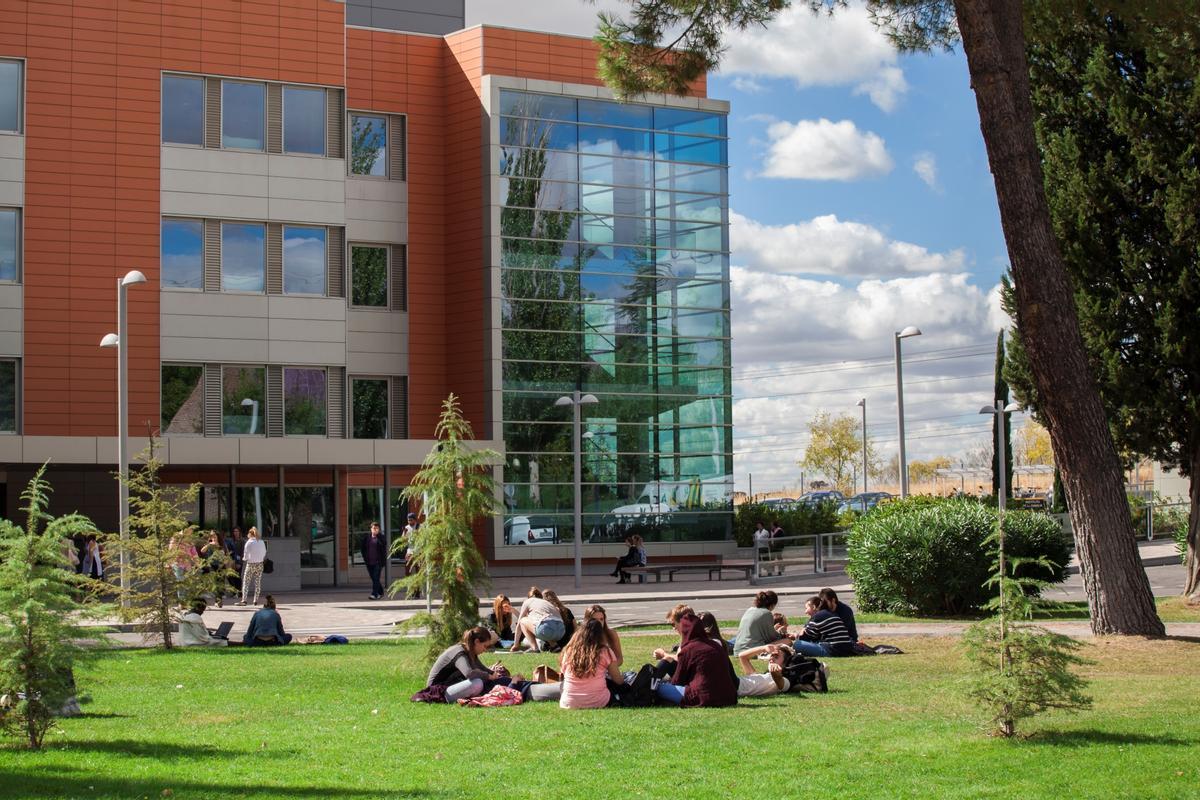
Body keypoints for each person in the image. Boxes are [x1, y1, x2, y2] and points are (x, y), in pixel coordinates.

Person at [654, 612, 738, 707]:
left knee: (658, 687)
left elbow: (677, 681)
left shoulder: (688, 649)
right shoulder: (716, 645)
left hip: (702, 697)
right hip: (728, 697)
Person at [426, 627, 507, 702]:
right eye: (485, 646)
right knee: (477, 683)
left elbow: (481, 667)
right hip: (437, 690)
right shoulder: (460, 653)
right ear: (477, 642)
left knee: (481, 679)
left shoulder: (470, 651)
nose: (485, 650)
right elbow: (469, 673)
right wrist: (488, 676)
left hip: (449, 686)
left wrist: (493, 674)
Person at [559, 618, 624, 709]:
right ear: (600, 635)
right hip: (599, 701)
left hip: (569, 702)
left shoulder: (569, 651)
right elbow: (618, 680)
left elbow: (563, 674)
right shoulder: (605, 651)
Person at [732, 591, 791, 655]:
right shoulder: (767, 613)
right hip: (752, 649)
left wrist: (774, 629)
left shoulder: (750, 610)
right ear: (772, 605)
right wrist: (780, 632)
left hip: (738, 650)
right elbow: (771, 638)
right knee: (787, 641)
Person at [238, 527, 266, 607]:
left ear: (250, 534)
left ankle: (244, 600)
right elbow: (264, 553)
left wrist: (244, 559)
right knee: (257, 582)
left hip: (251, 564)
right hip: (260, 564)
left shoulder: (249, 542)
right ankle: (255, 600)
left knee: (246, 582)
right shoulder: (261, 542)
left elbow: (245, 554)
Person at [362, 521, 388, 600]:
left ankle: (374, 594)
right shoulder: (367, 538)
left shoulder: (381, 537)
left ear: (379, 529)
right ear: (371, 529)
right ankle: (380, 592)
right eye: (374, 528)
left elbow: (384, 544)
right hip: (369, 562)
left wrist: (378, 536)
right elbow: (363, 548)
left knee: (376, 577)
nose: (375, 530)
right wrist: (365, 557)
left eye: (377, 528)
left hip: (378, 562)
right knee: (374, 578)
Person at [402, 512, 421, 599]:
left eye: (411, 520)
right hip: (409, 553)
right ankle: (410, 591)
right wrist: (404, 533)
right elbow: (403, 540)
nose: (409, 521)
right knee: (407, 573)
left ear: (415, 519)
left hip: (418, 552)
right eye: (408, 520)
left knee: (418, 573)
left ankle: (417, 592)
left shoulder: (420, 527)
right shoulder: (406, 528)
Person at [224, 527, 245, 593]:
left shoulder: (242, 540)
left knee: (237, 576)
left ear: (239, 532)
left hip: (238, 561)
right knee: (229, 575)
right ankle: (233, 591)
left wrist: (240, 562)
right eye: (234, 531)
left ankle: (239, 591)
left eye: (237, 531)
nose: (235, 533)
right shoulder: (230, 540)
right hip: (231, 561)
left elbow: (243, 552)